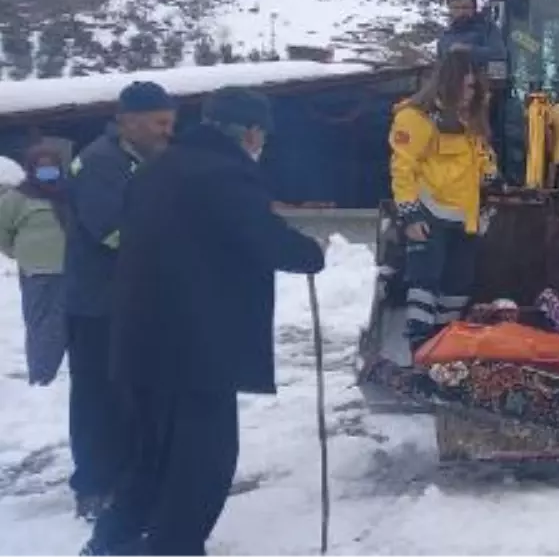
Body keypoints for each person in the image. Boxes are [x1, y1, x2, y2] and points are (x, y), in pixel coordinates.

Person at [82, 87, 326, 557]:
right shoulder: (226, 174)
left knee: (151, 456)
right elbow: (260, 237)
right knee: (202, 464)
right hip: (196, 350)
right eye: (261, 135)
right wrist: (310, 252)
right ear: (251, 132)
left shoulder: (156, 169)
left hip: (140, 341)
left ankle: (113, 541)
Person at [63, 80, 177, 520]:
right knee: (98, 395)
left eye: (171, 122)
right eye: (160, 123)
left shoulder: (148, 158)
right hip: (98, 304)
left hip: (134, 302)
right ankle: (93, 484)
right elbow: (112, 230)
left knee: (134, 395)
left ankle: (132, 475)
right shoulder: (99, 163)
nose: (168, 131)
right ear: (128, 121)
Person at [390, 48, 498, 354]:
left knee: (458, 286)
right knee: (425, 283)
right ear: (449, 82)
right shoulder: (416, 117)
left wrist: (492, 175)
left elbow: (480, 158)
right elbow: (403, 167)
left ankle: (443, 348)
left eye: (475, 87)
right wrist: (410, 215)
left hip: (465, 219)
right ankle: (420, 348)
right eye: (467, 85)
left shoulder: (471, 121)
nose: (471, 92)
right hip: (429, 215)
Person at [0, 141, 70, 386]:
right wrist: (17, 252)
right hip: (35, 270)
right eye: (42, 167)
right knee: (39, 323)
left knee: (62, 322)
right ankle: (41, 376)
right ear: (32, 169)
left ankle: (53, 374)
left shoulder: (68, 193)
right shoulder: (17, 197)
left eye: (52, 167)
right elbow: (2, 231)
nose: (47, 171)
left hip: (67, 267)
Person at [436, 0, 503, 65]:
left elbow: (500, 54)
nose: (461, 12)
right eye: (456, 8)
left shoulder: (487, 29)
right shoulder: (445, 39)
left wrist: (469, 50)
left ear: (474, 8)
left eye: (465, 7)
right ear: (449, 9)